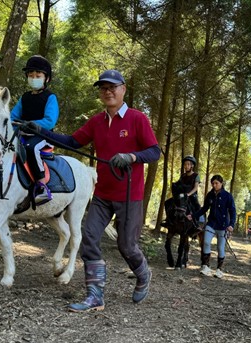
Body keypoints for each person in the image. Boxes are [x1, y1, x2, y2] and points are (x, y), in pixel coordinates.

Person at [19, 69, 160, 312]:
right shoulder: (97, 121)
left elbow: (154, 152)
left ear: (123, 89)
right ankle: (95, 295)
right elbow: (72, 142)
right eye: (103, 88)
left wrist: (131, 156)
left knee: (127, 246)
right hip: (103, 194)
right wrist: (40, 131)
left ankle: (143, 273)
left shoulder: (138, 119)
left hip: (129, 195)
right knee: (88, 239)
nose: (108, 91)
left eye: (112, 87)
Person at [11, 55, 59, 204]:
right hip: (22, 133)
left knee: (30, 148)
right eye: (31, 75)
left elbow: (50, 121)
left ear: (47, 79)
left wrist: (31, 124)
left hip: (42, 136)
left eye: (38, 75)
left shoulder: (50, 97)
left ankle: (41, 186)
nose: (34, 78)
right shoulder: (24, 97)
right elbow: (12, 115)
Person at [190, 174, 236, 279]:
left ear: (221, 183)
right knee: (205, 242)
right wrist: (193, 216)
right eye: (213, 183)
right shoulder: (210, 195)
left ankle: (219, 269)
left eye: (216, 183)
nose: (214, 185)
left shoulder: (227, 196)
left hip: (223, 226)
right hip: (211, 224)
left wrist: (231, 225)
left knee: (220, 247)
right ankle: (206, 266)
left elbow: (233, 211)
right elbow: (204, 209)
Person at [161, 155, 202, 228]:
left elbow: (195, 188)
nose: (186, 166)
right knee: (168, 202)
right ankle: (168, 220)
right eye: (185, 164)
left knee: (197, 206)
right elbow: (179, 183)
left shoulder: (196, 176)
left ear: (192, 165)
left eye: (188, 164)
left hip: (191, 195)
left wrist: (188, 194)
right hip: (181, 196)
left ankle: (197, 224)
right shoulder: (182, 176)